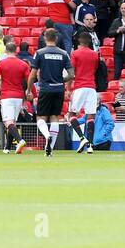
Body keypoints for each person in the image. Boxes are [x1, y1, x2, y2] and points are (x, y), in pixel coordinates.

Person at [30, 28, 72, 157]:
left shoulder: (40, 53)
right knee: (55, 117)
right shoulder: (64, 53)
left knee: (40, 117)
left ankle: (47, 136)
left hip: (45, 88)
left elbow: (32, 74)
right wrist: (61, 80)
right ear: (57, 39)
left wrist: (28, 88)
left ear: (45, 38)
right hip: (59, 89)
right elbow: (71, 74)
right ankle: (50, 150)